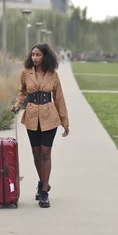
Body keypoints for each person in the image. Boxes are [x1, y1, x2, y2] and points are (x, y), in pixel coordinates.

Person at [11, 43, 70, 208]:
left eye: (38, 55)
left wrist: (65, 122)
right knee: (36, 153)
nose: (34, 58)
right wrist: (17, 105)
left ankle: (44, 191)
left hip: (49, 116)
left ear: (45, 56)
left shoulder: (53, 75)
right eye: (33, 55)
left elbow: (59, 98)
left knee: (45, 152)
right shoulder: (26, 73)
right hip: (31, 116)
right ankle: (42, 181)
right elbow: (22, 91)